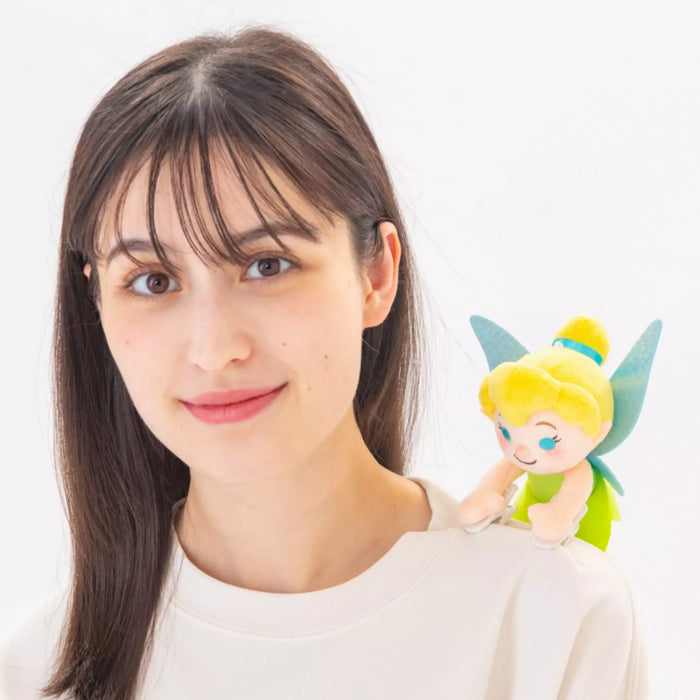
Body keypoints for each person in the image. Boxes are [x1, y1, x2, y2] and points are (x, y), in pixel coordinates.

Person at [0, 26, 647, 699]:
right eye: (153, 280)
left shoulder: (554, 617)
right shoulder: (36, 673)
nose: (214, 348)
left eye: (267, 265)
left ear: (376, 275)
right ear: (97, 303)